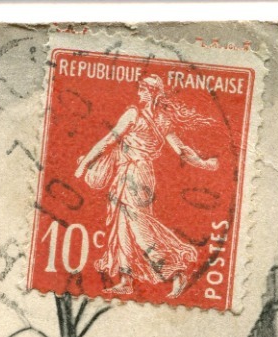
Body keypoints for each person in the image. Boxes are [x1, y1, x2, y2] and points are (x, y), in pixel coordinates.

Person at [73, 74, 220, 299]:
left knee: (139, 227)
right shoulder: (163, 121)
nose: (139, 92)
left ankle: (175, 270)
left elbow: (108, 141)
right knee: (123, 225)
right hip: (140, 175)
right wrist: (205, 164)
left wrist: (84, 164)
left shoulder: (134, 114)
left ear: (152, 92)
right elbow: (182, 151)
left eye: (142, 89)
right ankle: (125, 279)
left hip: (133, 174)